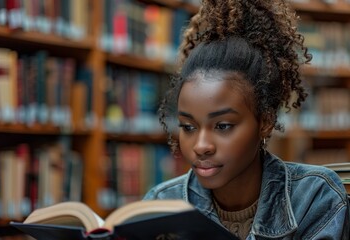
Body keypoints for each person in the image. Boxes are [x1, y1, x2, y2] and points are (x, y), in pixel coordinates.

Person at [143, 0, 350, 239]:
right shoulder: (162, 204)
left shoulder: (314, 197)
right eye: (188, 127)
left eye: (222, 126)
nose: (200, 146)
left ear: (265, 121)